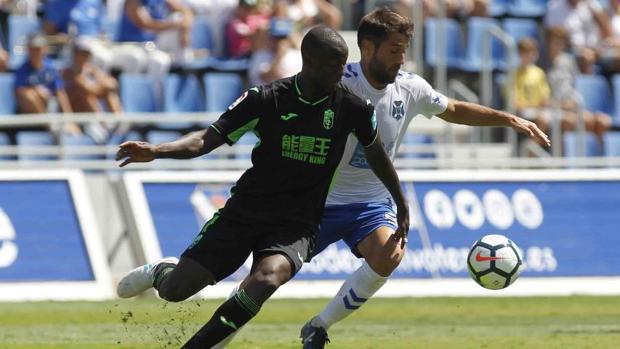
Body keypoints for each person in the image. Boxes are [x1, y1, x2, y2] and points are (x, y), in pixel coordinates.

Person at [115, 25, 410, 349]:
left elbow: (376, 154)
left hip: (297, 224)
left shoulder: (353, 108)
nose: (340, 73)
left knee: (266, 278)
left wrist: (400, 203)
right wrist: (158, 151)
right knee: (176, 290)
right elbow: (207, 138)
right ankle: (162, 272)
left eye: (343, 66)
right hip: (245, 212)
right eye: (333, 66)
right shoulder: (266, 99)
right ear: (308, 61)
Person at [295, 8, 549, 348]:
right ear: (367, 49)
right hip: (318, 201)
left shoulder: (410, 88)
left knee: (390, 253)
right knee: (270, 274)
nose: (402, 59)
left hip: (370, 202)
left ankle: (319, 326)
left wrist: (507, 119)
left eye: (404, 50)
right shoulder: (339, 83)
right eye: (394, 50)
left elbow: (455, 109)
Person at [62, 40, 122, 113]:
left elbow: (113, 83)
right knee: (87, 95)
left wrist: (103, 86)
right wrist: (104, 87)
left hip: (86, 104)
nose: (85, 57)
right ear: (75, 54)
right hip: (73, 108)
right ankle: (99, 121)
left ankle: (119, 121)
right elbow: (88, 89)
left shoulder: (90, 69)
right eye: (82, 54)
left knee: (110, 94)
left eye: (87, 54)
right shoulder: (69, 72)